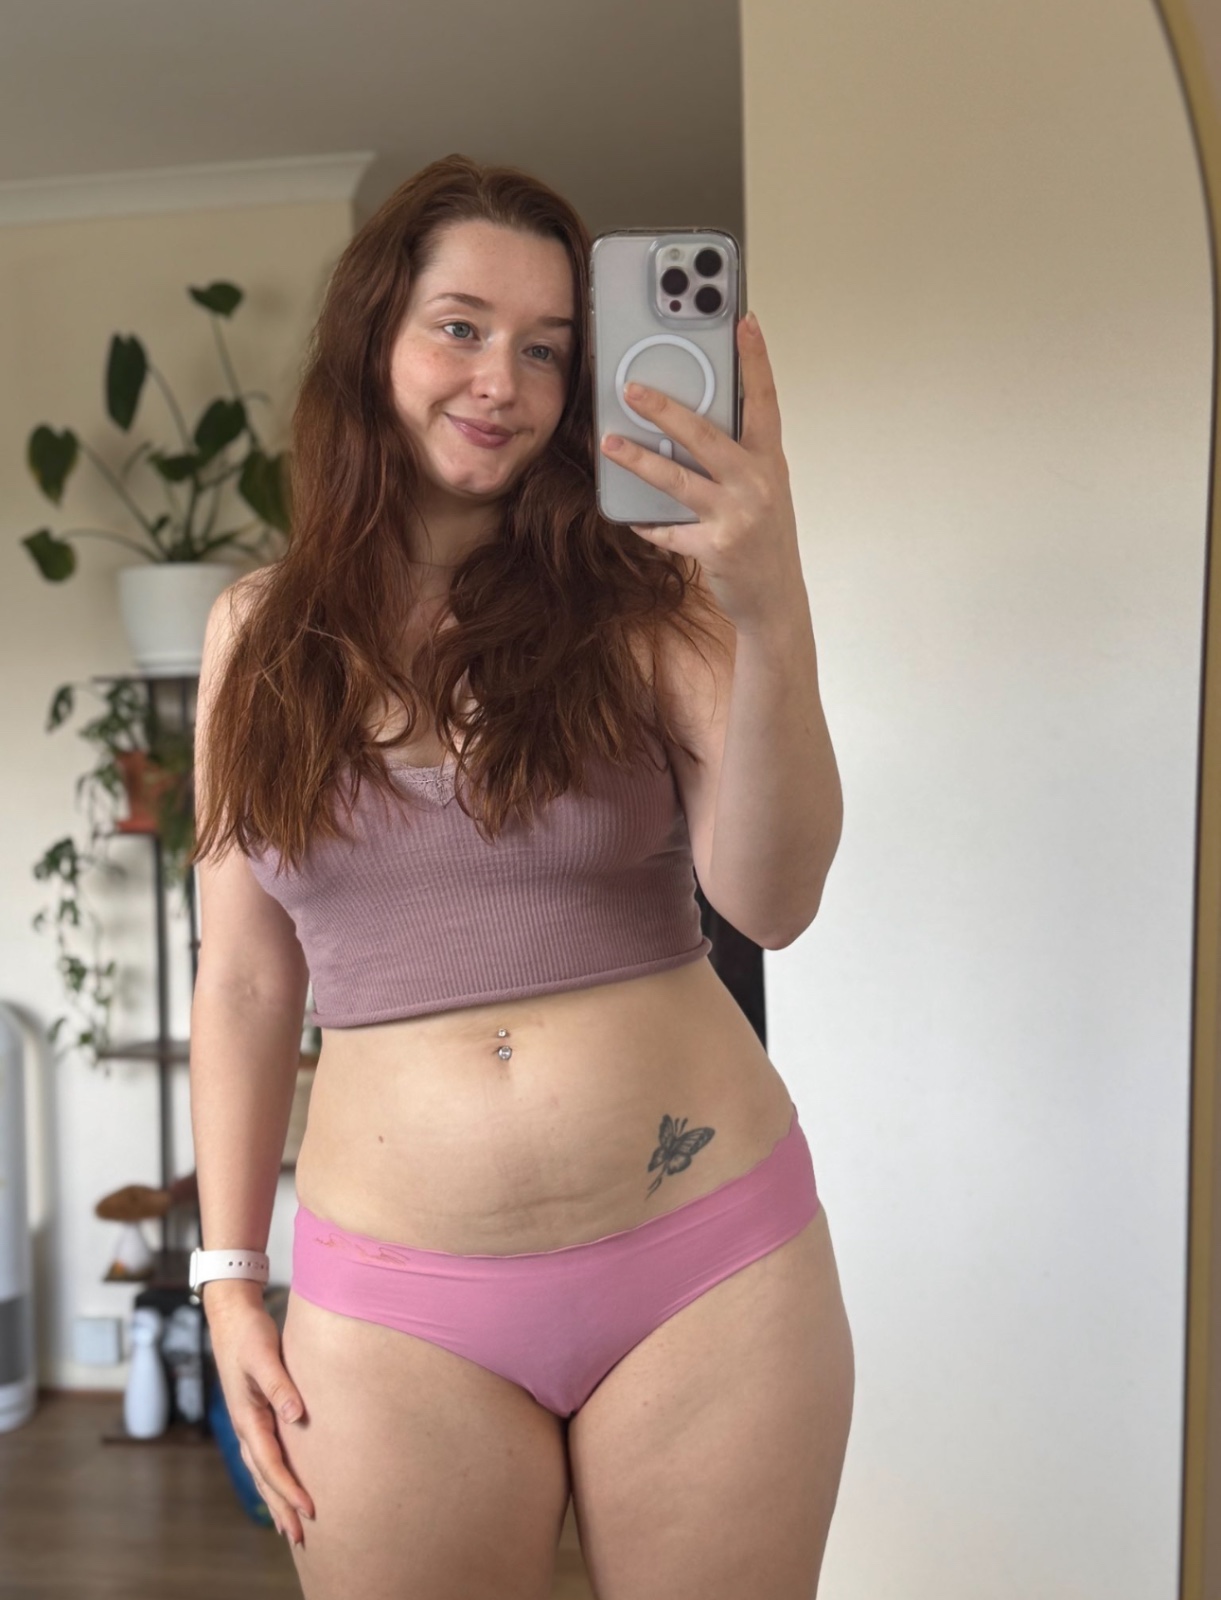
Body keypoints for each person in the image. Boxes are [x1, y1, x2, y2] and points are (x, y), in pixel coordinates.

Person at [187, 152, 854, 1600]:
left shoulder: (646, 605)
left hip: (706, 1265)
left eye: (547, 348)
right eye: (461, 327)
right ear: (374, 336)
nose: (503, 380)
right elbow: (240, 980)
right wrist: (226, 1277)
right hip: (393, 1308)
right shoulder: (257, 635)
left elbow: (775, 898)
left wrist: (769, 606)